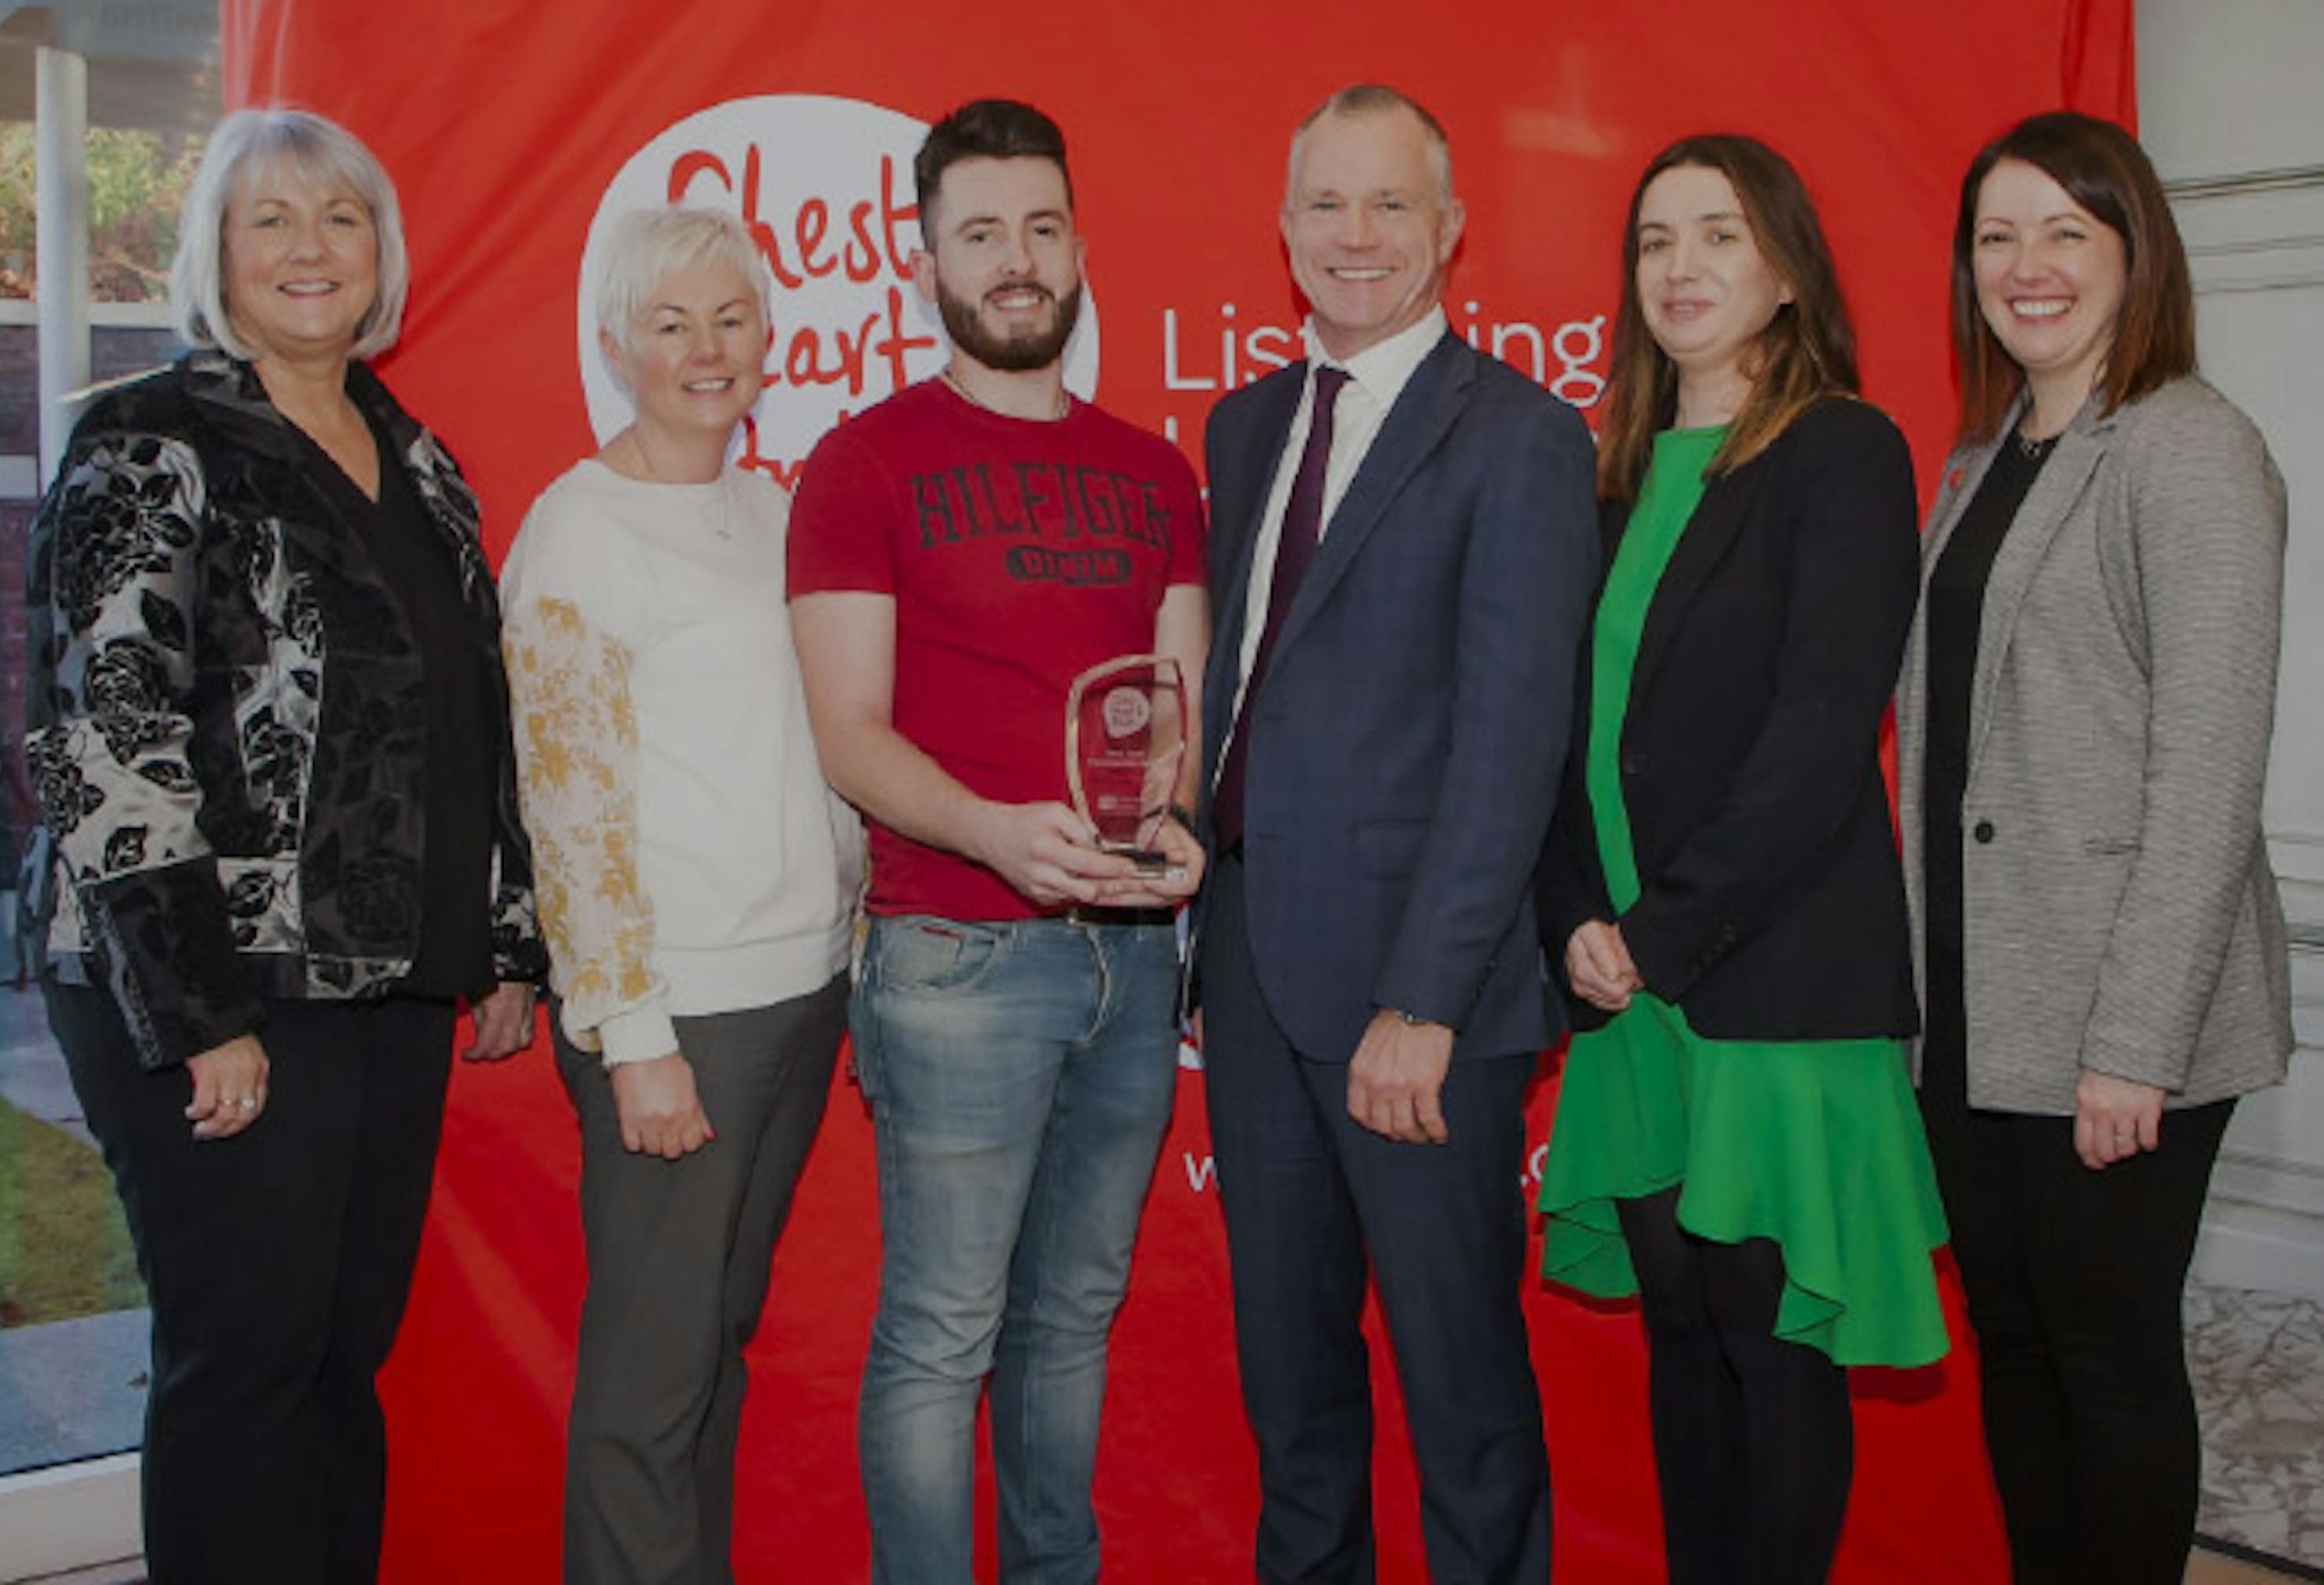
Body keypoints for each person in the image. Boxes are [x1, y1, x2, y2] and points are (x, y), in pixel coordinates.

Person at [20, 107, 544, 1584]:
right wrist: (200, 1012)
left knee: (336, 1362)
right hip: (215, 987)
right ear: (218, 256)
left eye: (341, 219)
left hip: (386, 981)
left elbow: (466, 715)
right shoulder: (149, 438)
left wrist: (500, 936)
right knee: (243, 1370)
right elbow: (101, 740)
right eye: (273, 220)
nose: (311, 248)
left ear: (380, 253)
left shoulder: (415, 456)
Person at [785, 99, 1207, 1583]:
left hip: (1132, 966)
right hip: (955, 958)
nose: (1015, 260)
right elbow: (849, 730)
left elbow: (1176, 719)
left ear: (1079, 246)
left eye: (1040, 227)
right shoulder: (862, 465)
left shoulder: (1158, 474)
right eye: (980, 233)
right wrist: (994, 837)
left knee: (1071, 1321)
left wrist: (1173, 831)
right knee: (940, 1335)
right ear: (926, 260)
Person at [1191, 84, 1598, 1584]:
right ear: (1283, 226)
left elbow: (1509, 752)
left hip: (1418, 1007)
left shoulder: (1520, 440)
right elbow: (1249, 693)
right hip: (1246, 975)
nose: (1353, 237)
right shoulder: (1242, 429)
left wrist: (1423, 1002)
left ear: (1450, 230)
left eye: (1388, 206)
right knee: (1291, 1396)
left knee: (1462, 1399)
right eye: (1324, 205)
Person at [1531, 135, 1948, 1585]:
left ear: (1782, 270)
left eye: (1718, 236)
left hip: (1767, 992)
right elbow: (1559, 736)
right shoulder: (1607, 474)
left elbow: (1816, 740)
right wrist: (1577, 916)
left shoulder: (1840, 449)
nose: (1682, 268)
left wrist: (1660, 929)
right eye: (1656, 240)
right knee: (1682, 1341)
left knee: (1771, 1357)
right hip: (1627, 995)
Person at [1898, 109, 2291, 1585]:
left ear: (2134, 252)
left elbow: (2205, 772)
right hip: (1978, 1008)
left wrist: (2133, 1040)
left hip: (2121, 1022)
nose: (2027, 266)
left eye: (2066, 230)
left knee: (2109, 1354)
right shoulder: (1986, 451)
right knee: (2014, 1338)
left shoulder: (2189, 449)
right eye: (1996, 236)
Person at [500, 205, 862, 1585]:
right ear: (616, 346)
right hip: (678, 1018)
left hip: (799, 987)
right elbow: (570, 807)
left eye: (730, 319)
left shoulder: (773, 511)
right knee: (652, 1381)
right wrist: (631, 1033)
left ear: (769, 340)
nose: (706, 350)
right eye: (671, 324)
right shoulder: (578, 534)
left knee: (709, 1349)